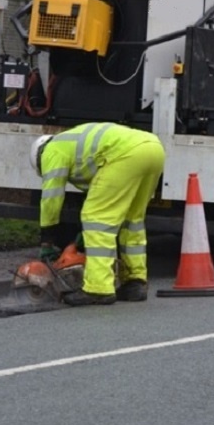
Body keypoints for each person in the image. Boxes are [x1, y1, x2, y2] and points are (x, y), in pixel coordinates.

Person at [30, 122, 166, 306]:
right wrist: (82, 238)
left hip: (126, 154)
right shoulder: (74, 143)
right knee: (131, 220)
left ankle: (98, 288)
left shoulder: (51, 151)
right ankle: (135, 282)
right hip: (153, 148)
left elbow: (51, 197)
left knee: (96, 218)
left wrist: (48, 236)